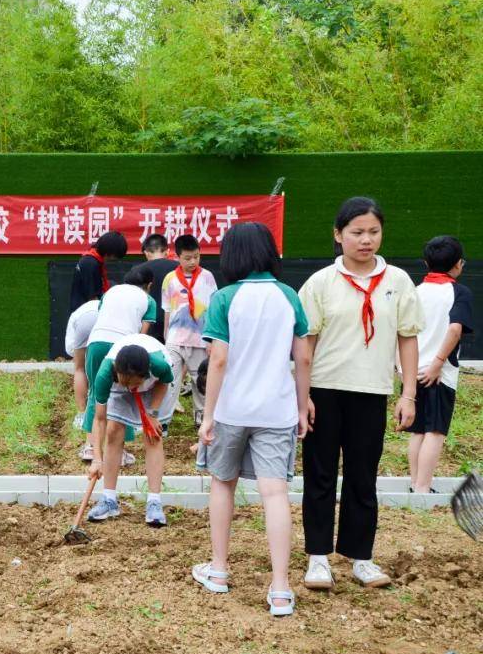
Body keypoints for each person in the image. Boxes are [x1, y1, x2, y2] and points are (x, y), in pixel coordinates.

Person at [299, 197, 424, 590]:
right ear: (338, 236)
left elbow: (408, 338)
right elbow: (305, 343)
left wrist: (409, 394)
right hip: (325, 390)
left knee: (362, 476)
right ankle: (318, 558)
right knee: (319, 476)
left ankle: (361, 557)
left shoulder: (398, 281)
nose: (366, 240)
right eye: (356, 233)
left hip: (371, 391)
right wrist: (302, 395)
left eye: (373, 232)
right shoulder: (320, 282)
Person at [191, 222, 312, 617]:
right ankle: (280, 589)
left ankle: (220, 571)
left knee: (222, 485)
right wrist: (301, 405)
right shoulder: (289, 296)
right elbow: (304, 357)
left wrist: (207, 417)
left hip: (231, 410)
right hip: (276, 411)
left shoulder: (224, 298)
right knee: (275, 494)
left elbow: (219, 359)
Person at [86, 334, 178, 527]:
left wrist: (151, 413)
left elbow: (164, 382)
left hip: (156, 386)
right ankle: (109, 500)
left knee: (153, 436)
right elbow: (99, 419)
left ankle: (154, 502)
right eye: (125, 381)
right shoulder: (106, 374)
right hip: (121, 379)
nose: (129, 387)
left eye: (133, 383)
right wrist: (96, 458)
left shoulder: (159, 365)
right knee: (113, 430)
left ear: (144, 375)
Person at [405, 236, 473, 494]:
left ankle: (415, 484)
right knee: (435, 431)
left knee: (418, 430)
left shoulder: (415, 291)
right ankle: (423, 488)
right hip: (439, 373)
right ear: (458, 265)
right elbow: (455, 329)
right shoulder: (459, 292)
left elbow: (402, 331)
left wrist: (402, 368)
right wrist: (438, 363)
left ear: (426, 263)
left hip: (414, 371)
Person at [77, 265, 156, 462]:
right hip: (122, 345)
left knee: (96, 391)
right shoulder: (149, 300)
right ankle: (118, 452)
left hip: (96, 342)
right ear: (149, 285)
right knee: (125, 394)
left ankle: (90, 447)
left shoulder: (111, 291)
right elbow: (141, 336)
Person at [162, 234, 219, 429]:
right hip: (175, 339)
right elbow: (167, 310)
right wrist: (166, 337)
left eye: (196, 256)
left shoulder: (207, 277)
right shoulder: (170, 279)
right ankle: (163, 423)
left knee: (200, 382)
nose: (193, 261)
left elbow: (213, 310)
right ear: (177, 257)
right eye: (187, 258)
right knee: (170, 381)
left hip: (200, 339)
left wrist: (211, 340)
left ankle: (201, 422)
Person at [70, 230, 128, 313]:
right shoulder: (90, 264)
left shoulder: (93, 260)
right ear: (110, 252)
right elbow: (92, 298)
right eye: (115, 256)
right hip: (86, 314)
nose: (114, 259)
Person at [64, 299, 99, 431]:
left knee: (79, 369)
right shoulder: (112, 306)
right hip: (108, 325)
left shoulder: (78, 313)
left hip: (84, 322)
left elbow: (70, 349)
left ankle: (82, 415)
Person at [142, 233, 179, 344]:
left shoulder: (137, 270)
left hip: (148, 326)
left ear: (146, 253)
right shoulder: (179, 268)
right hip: (175, 325)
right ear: (167, 252)